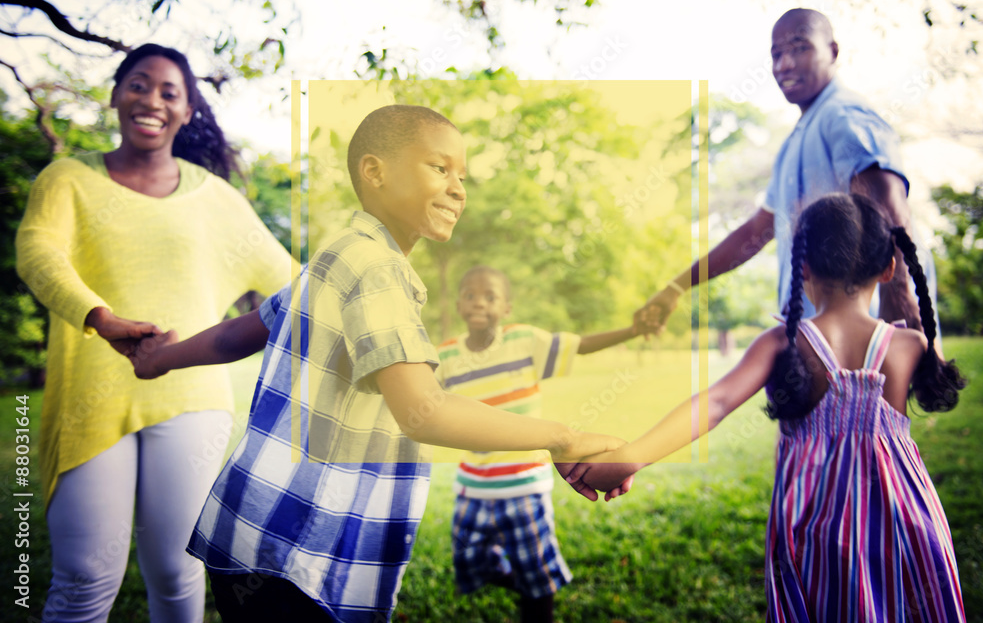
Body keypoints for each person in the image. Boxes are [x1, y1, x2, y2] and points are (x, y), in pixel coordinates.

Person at [128, 104, 626, 623]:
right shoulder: (376, 269)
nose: (459, 189)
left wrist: (159, 359)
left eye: (463, 176)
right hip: (298, 550)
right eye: (440, 168)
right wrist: (560, 438)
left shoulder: (337, 256)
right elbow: (424, 410)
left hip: (251, 524)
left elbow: (240, 331)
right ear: (375, 171)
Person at [568, 192, 967, 621]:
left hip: (816, 528)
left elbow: (716, 403)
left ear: (803, 266)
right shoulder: (910, 345)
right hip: (905, 520)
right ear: (889, 267)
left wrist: (632, 456)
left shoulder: (783, 342)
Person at [14, 44, 296, 621]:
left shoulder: (216, 198)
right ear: (117, 94)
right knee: (85, 578)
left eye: (170, 92)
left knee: (176, 571)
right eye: (138, 85)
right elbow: (37, 251)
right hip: (89, 401)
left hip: (192, 402)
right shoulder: (67, 178)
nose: (152, 101)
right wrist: (100, 317)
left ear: (188, 110)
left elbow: (289, 288)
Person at [639, 8, 939, 343]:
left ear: (833, 52)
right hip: (815, 339)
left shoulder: (844, 115)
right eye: (777, 54)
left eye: (800, 48)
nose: (785, 64)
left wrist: (899, 297)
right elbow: (756, 231)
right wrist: (677, 287)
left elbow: (889, 204)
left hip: (864, 340)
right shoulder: (794, 142)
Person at [436, 264, 643, 623]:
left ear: (506, 308)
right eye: (469, 295)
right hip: (472, 485)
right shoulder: (447, 357)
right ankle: (526, 587)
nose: (479, 302)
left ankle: (536, 602)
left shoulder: (523, 341)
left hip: (523, 485)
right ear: (458, 304)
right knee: (471, 563)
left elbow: (580, 345)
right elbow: (417, 397)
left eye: (490, 296)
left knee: (536, 576)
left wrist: (633, 330)